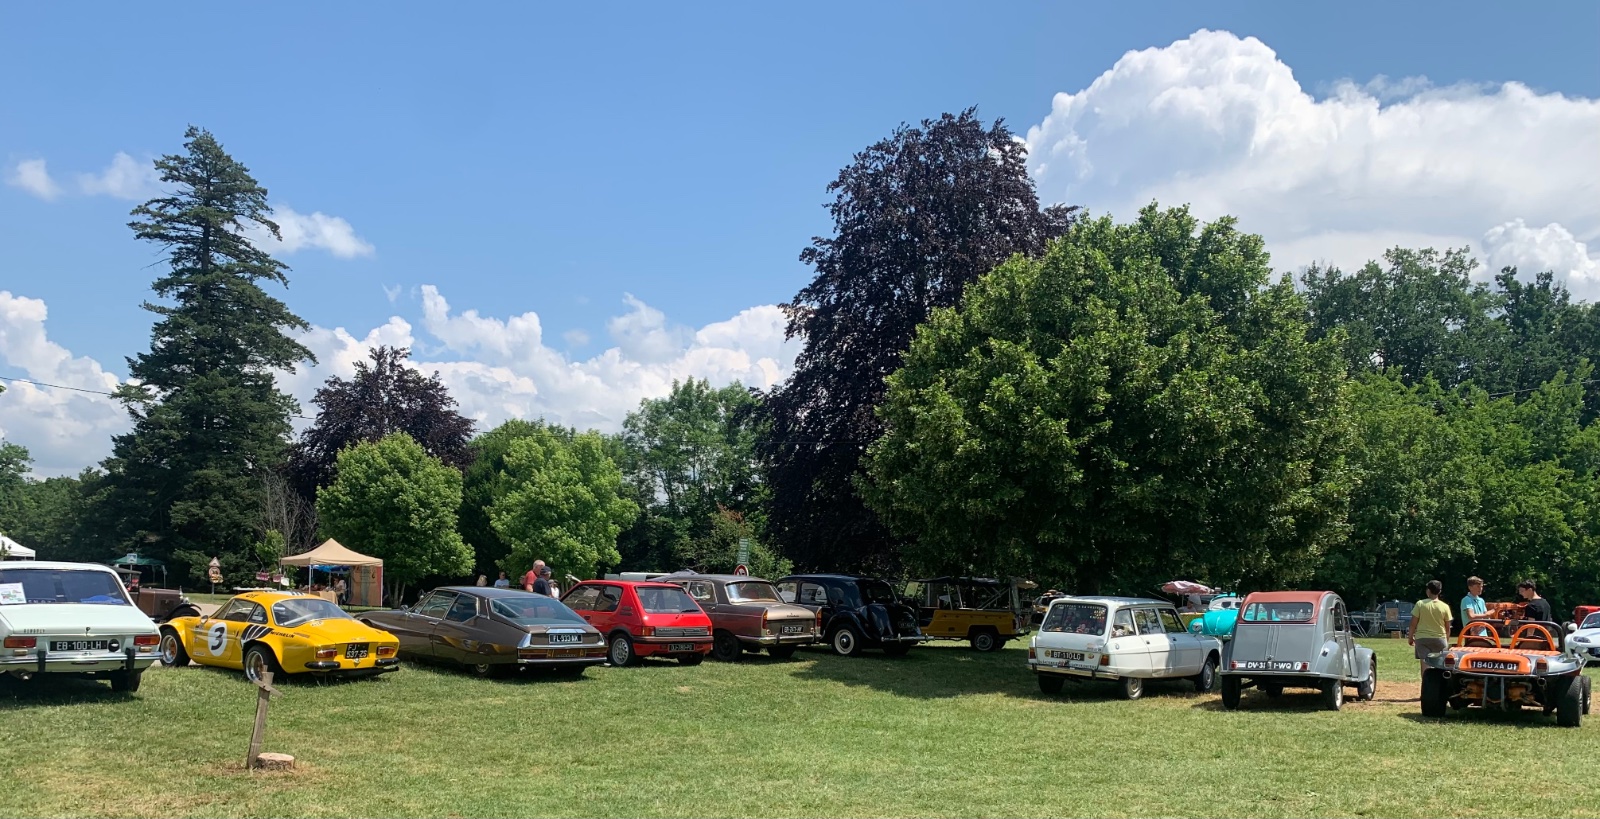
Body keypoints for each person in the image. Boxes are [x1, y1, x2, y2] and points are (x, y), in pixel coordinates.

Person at [1407, 579, 1453, 675]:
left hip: (1422, 638)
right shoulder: (1445, 606)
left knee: (1424, 662)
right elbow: (1447, 627)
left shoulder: (1420, 604)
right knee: (1440, 663)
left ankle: (1426, 682)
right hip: (1439, 638)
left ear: (1428, 590)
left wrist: (1410, 637)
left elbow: (1413, 623)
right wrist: (1446, 640)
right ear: (1439, 591)